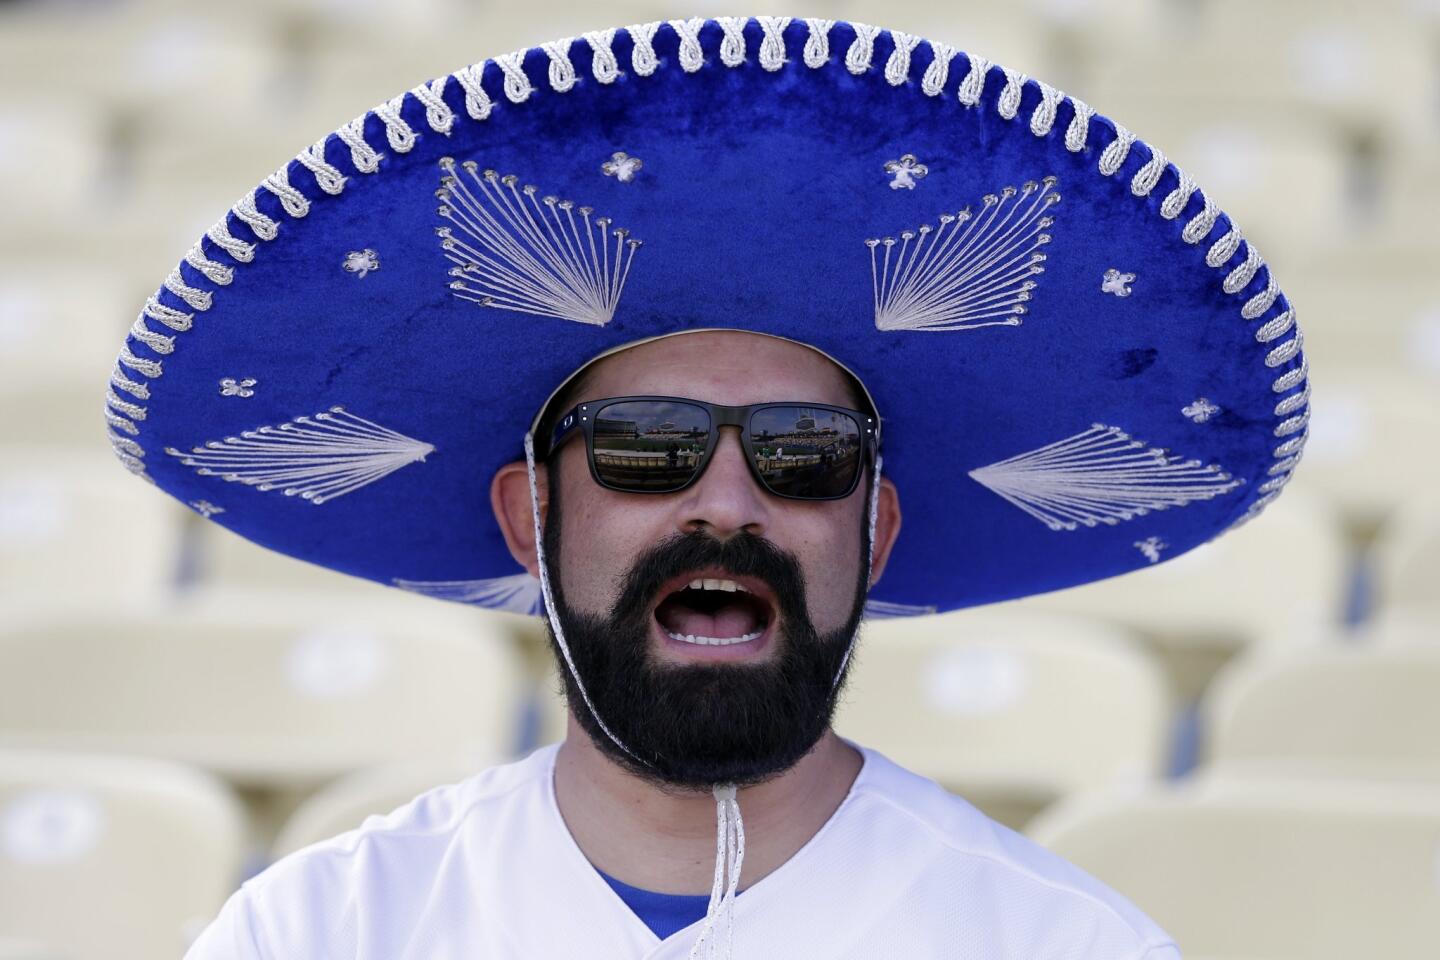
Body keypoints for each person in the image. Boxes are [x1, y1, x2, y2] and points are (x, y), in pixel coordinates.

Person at [109, 18, 1308, 959]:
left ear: (874, 531)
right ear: (533, 518)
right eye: (643, 446)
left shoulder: (1060, 945)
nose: (728, 503)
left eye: (804, 453)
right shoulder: (323, 932)